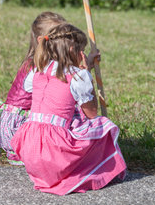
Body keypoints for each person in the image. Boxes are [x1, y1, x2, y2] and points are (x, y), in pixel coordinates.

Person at [11, 23, 126, 195]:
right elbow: (91, 113)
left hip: (31, 148)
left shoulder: (36, 71)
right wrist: (89, 79)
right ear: (74, 49)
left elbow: (58, 79)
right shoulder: (79, 76)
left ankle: (47, 174)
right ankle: (95, 167)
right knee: (102, 125)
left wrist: (86, 67)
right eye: (83, 50)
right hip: (54, 153)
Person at [0, 12, 99, 164]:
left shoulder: (37, 63)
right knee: (74, 111)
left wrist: (88, 66)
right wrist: (85, 73)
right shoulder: (40, 67)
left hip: (15, 128)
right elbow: (73, 85)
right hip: (20, 131)